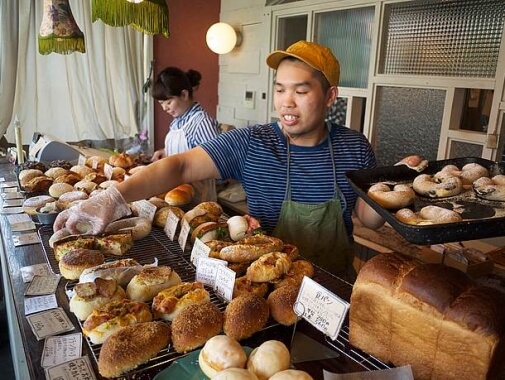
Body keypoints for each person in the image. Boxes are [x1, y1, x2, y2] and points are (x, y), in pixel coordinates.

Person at [54, 40, 384, 280]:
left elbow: (369, 220)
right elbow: (179, 166)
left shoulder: (353, 147)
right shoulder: (253, 143)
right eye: (280, 90)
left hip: (332, 287)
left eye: (300, 91)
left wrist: (395, 184)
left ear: (329, 96)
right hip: (266, 281)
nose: (286, 103)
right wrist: (112, 195)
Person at [150, 67, 220, 202]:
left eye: (168, 102)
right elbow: (187, 148)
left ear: (184, 94)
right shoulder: (177, 121)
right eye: (161, 103)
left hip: (198, 198)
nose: (165, 108)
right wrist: (165, 152)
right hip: (176, 194)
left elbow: (217, 163)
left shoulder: (202, 122)